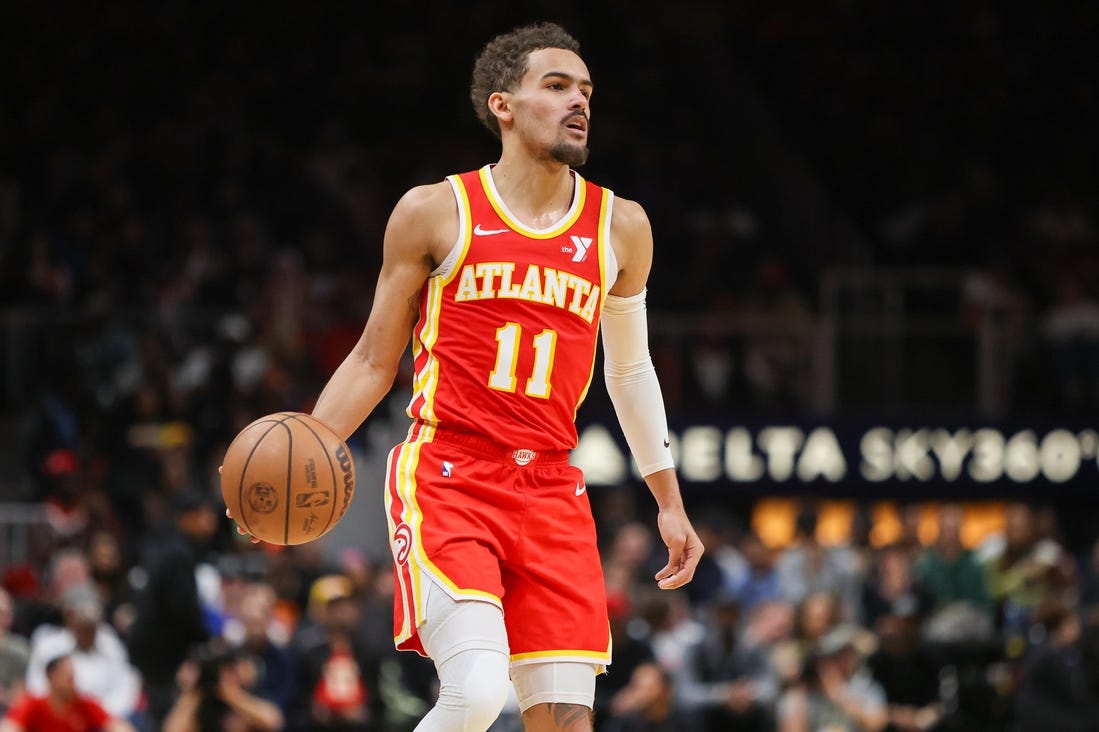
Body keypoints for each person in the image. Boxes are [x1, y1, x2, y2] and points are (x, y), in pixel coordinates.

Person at [226, 21, 704, 732]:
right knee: (478, 692)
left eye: (586, 90)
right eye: (557, 85)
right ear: (502, 105)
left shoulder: (621, 226)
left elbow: (629, 369)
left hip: (549, 485)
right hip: (450, 474)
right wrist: (312, 453)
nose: (579, 101)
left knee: (567, 719)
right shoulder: (434, 212)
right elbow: (370, 360)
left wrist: (666, 497)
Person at [0, 654, 135, 732]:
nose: (73, 684)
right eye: (68, 679)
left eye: (74, 678)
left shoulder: (86, 704)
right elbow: (9, 727)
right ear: (50, 676)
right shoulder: (32, 704)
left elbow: (118, 726)